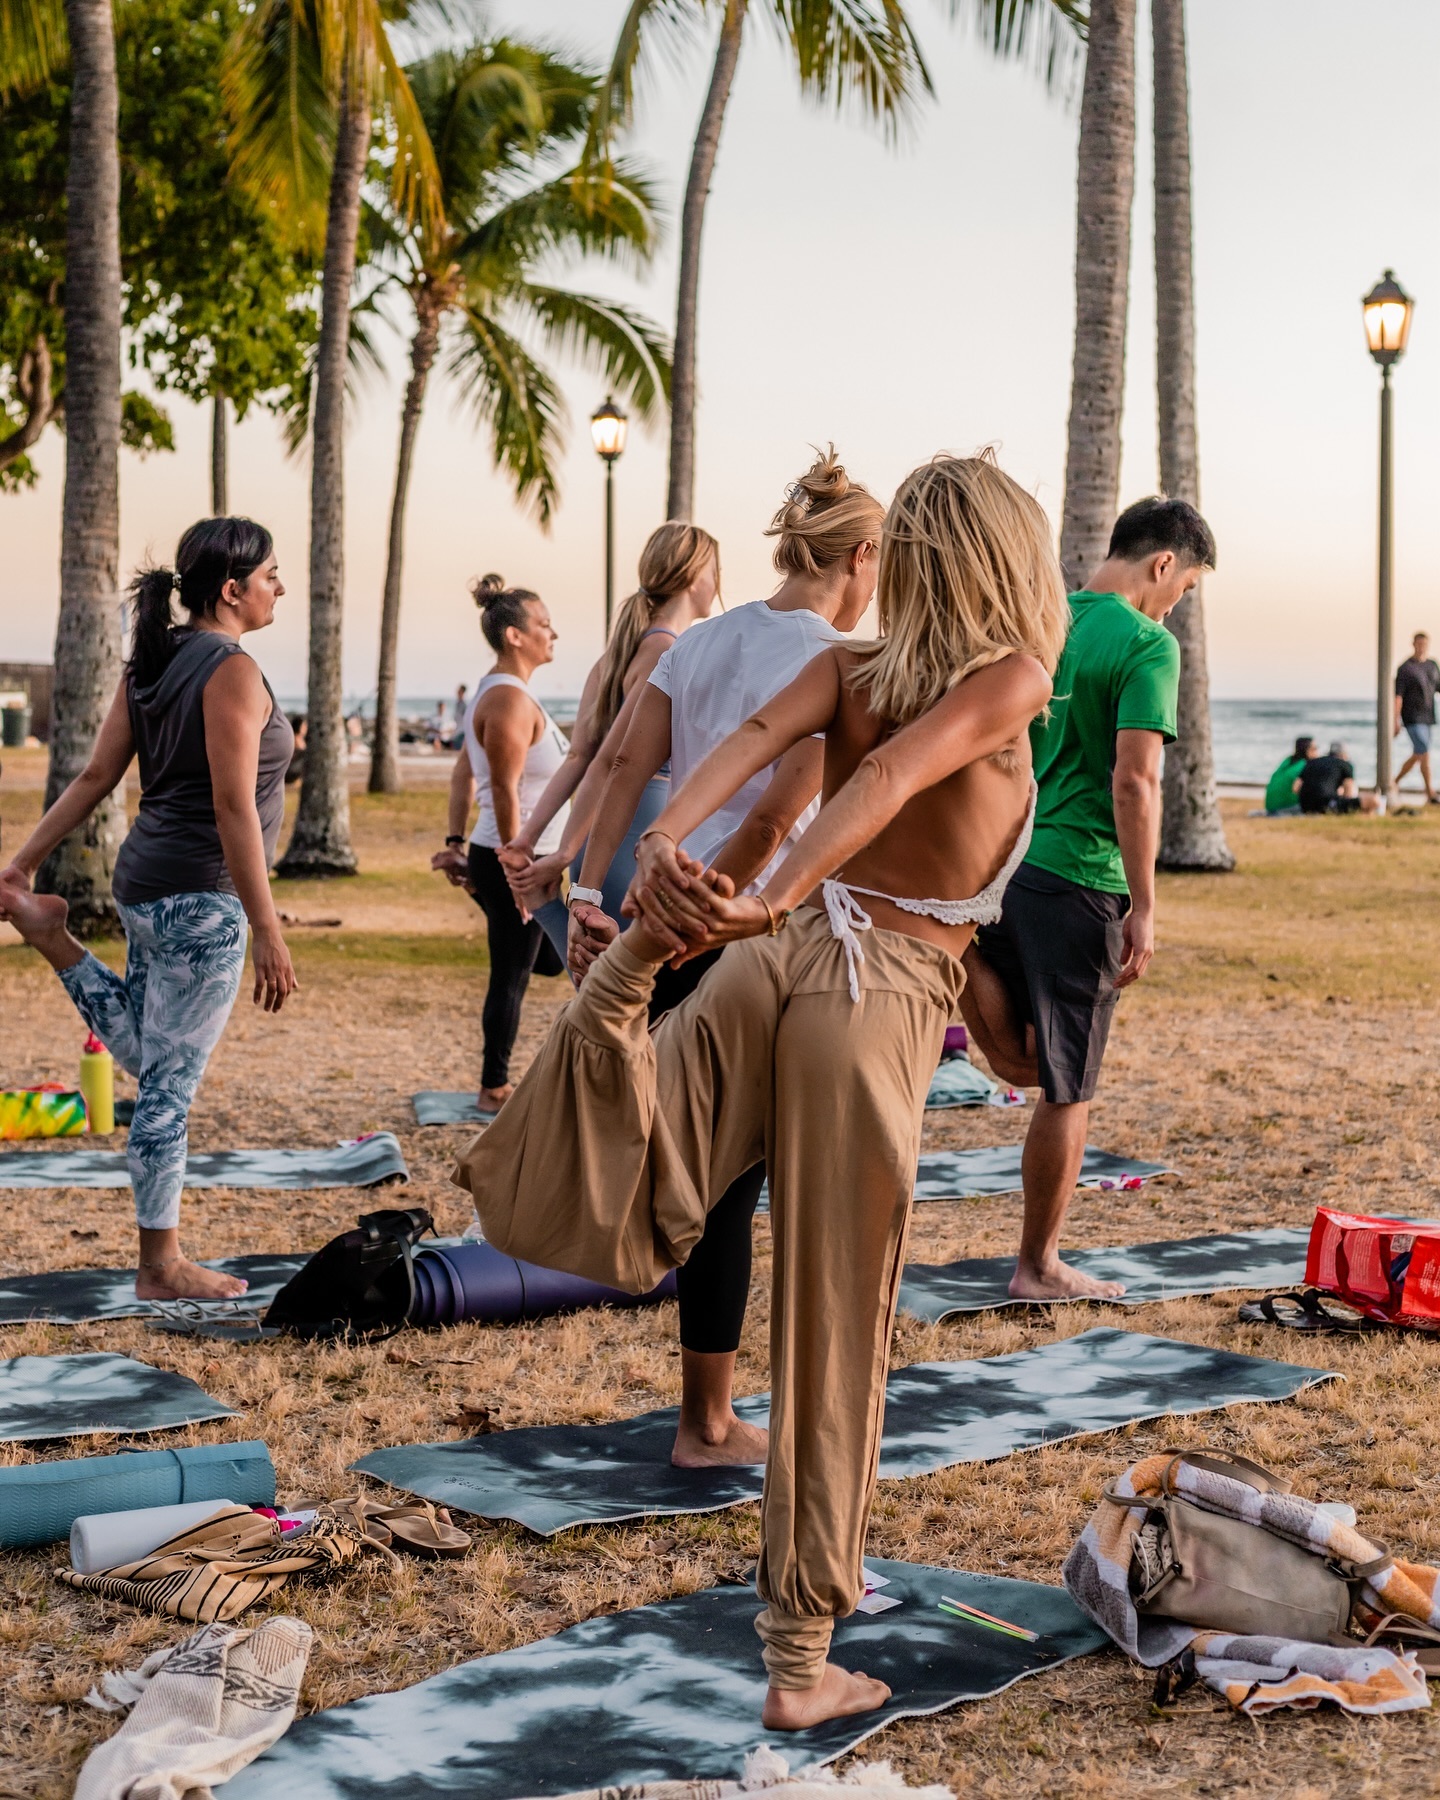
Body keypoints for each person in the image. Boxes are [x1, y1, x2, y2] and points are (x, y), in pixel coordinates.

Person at [455, 451, 1065, 1729]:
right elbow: (894, 782)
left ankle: (584, 1044)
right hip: (866, 982)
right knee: (838, 1320)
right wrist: (766, 888)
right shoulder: (1011, 679)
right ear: (1012, 558)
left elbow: (738, 744)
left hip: (769, 963)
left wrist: (675, 858)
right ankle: (801, 1663)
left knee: (661, 1163)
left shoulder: (848, 671)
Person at [568, 450, 885, 1471]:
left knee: (712, 1174)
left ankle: (715, 1409)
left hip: (668, 920)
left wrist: (592, 893)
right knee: (758, 1177)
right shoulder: (837, 658)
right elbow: (781, 816)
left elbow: (623, 764)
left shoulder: (698, 643)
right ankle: (716, 1423)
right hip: (755, 933)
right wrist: (711, 916)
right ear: (863, 556)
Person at [0, 518, 297, 1302]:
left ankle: (53, 937)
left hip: (145, 885)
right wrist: (266, 927)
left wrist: (24, 864)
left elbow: (97, 774)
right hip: (204, 899)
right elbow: (235, 807)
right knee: (167, 1086)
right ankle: (160, 1265)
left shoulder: (153, 663)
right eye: (270, 575)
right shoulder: (231, 670)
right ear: (230, 591)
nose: (280, 587)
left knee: (150, 1055)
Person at [961, 496, 1215, 1302]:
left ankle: (953, 953)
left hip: (1005, 865)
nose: (1181, 603)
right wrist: (1145, 902)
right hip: (1081, 876)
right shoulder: (1148, 644)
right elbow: (1136, 780)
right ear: (1163, 563)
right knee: (1069, 1085)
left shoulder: (1043, 623)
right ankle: (1039, 1265)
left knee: (1023, 1060)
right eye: (1188, 585)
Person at [500, 522, 721, 961]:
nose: (717, 584)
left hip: (600, 835)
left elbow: (579, 757)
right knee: (627, 988)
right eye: (715, 571)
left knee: (604, 983)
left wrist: (530, 840)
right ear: (696, 577)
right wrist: (559, 852)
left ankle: (544, 903)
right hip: (639, 829)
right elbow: (610, 759)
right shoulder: (666, 652)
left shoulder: (616, 654)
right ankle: (544, 902)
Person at [430, 575, 568, 1112]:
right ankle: (494, 1088)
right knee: (511, 973)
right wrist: (515, 871)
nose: (553, 632)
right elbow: (504, 791)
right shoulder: (508, 700)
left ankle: (483, 886)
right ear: (515, 635)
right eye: (543, 624)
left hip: (507, 856)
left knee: (551, 963)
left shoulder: (499, 690)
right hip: (518, 859)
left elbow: (464, 774)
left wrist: (456, 842)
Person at [1395, 632, 1440, 802]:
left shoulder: (1432, 665)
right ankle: (1430, 793)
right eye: (1419, 644)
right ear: (1413, 644)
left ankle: (1394, 782)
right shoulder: (1406, 668)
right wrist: (1396, 720)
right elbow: (1398, 696)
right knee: (1424, 751)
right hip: (1412, 717)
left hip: (1428, 717)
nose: (1421, 647)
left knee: (1420, 754)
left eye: (1424, 644)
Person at [1298, 739, 1377, 815]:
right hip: (1325, 804)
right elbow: (1348, 793)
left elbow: (1296, 787)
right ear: (1344, 755)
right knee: (1373, 800)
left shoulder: (1312, 762)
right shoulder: (1345, 765)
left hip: (1305, 806)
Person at [1263, 735, 1315, 815]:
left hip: (1270, 806)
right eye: (1315, 748)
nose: (1317, 752)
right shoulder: (1305, 765)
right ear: (1308, 750)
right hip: (1285, 807)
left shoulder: (1287, 760)